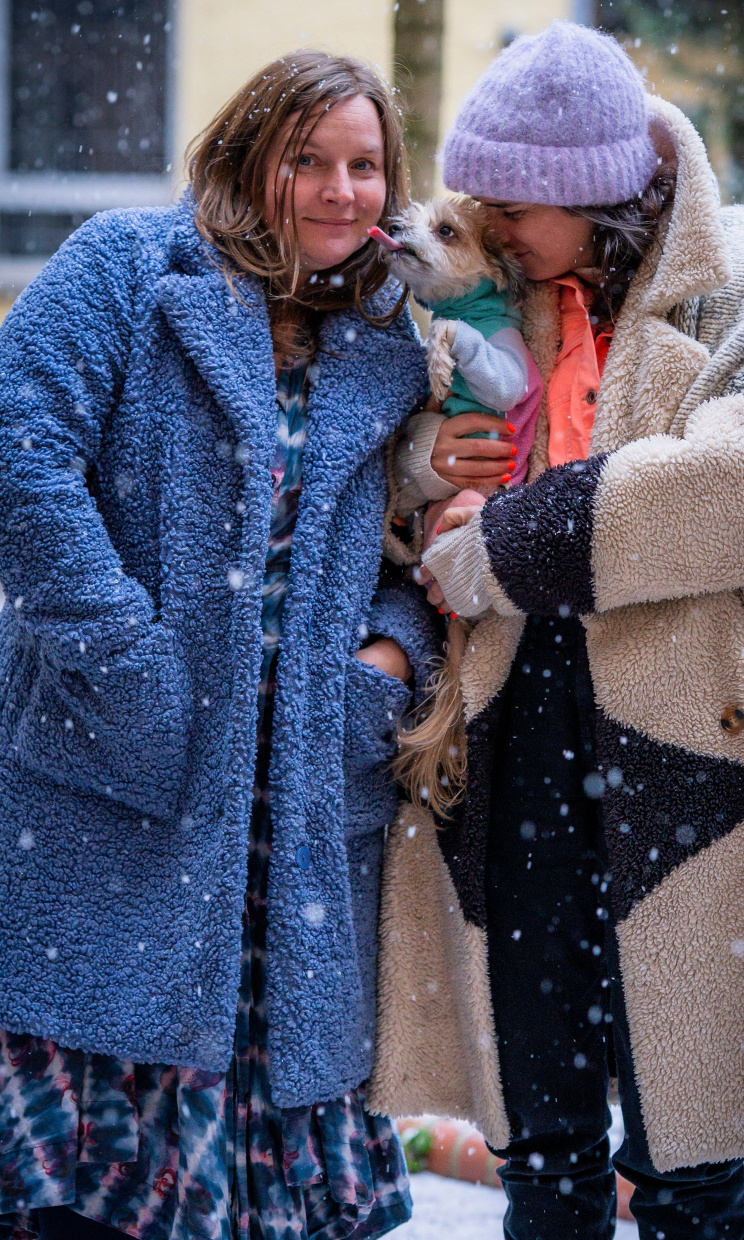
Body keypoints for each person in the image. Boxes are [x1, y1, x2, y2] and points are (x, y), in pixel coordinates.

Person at [369, 21, 744, 1240]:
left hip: (701, 762)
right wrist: (421, 469)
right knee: (542, 1148)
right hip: (513, 753)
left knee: (692, 1153)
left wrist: (508, 544)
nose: (482, 224)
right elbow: (393, 483)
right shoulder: (494, 295)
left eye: (510, 205)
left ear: (590, 194)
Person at [0, 50, 438, 1240]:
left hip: (290, 817)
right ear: (250, 155)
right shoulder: (128, 268)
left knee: (262, 1179)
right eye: (309, 157)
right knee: (87, 1171)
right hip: (115, 778)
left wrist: (385, 669)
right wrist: (125, 656)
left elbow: (431, 548)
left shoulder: (399, 339)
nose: (342, 190)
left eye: (366, 164)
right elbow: (19, 454)